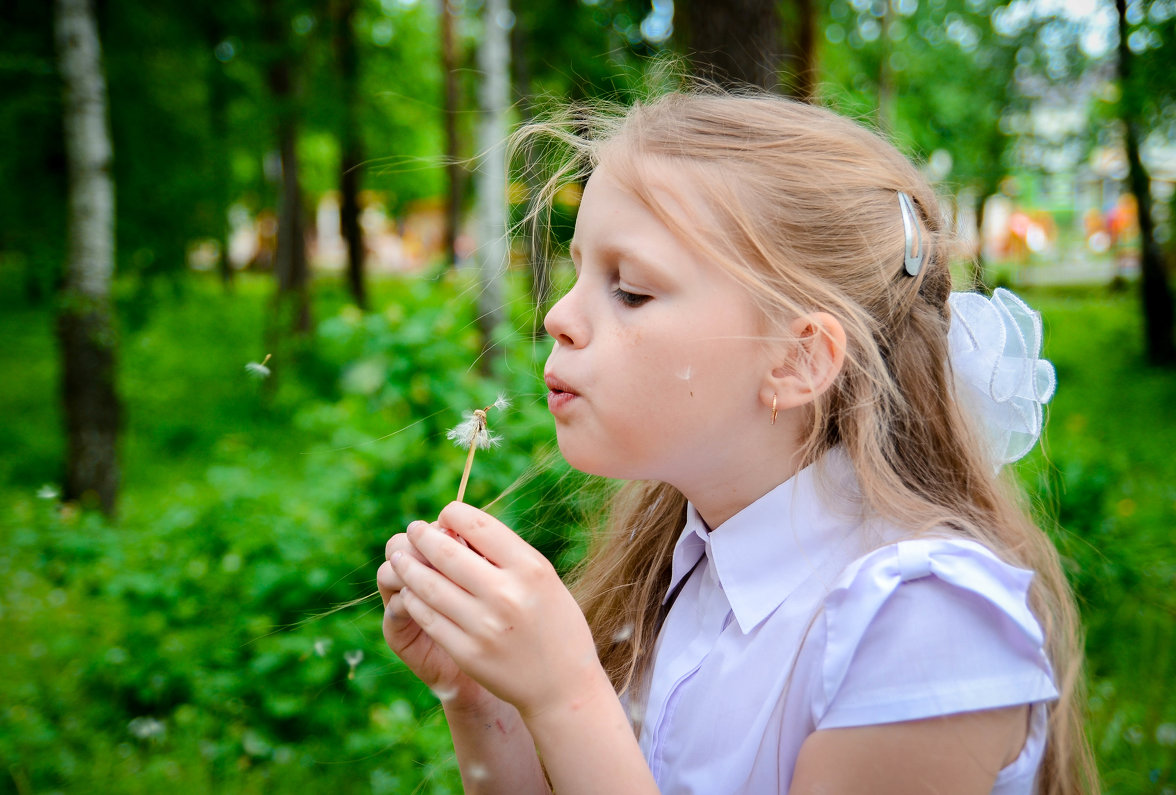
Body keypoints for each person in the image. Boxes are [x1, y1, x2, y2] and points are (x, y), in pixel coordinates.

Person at [376, 92, 1097, 794]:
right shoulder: (678, 561)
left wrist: (566, 695)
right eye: (577, 270)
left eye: (628, 288)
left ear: (795, 360)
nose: (560, 315)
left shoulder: (924, 623)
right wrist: (488, 703)